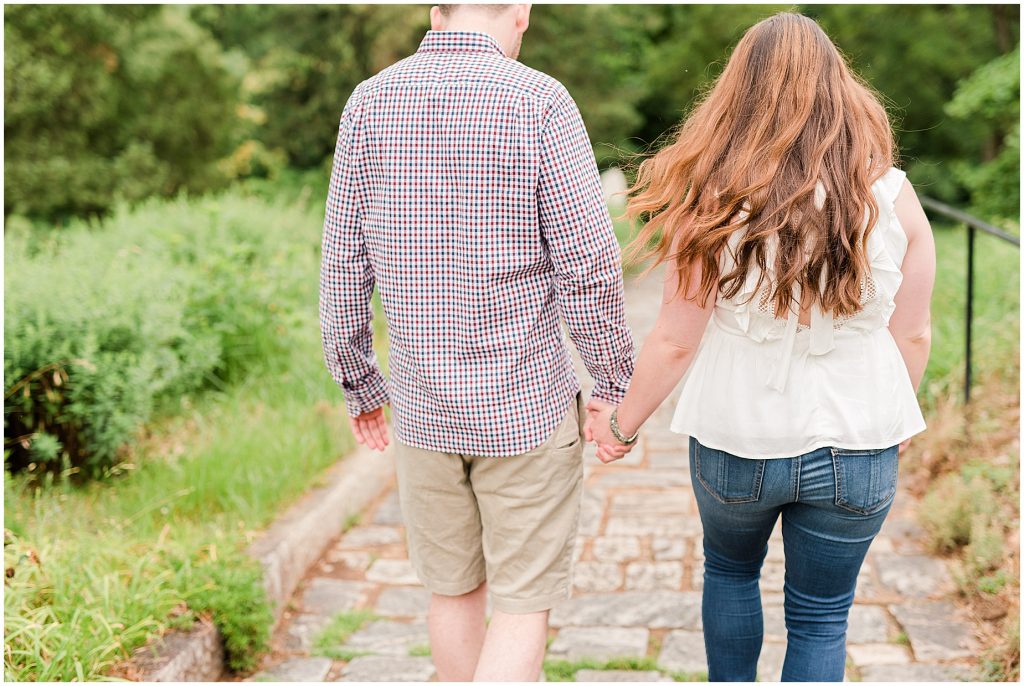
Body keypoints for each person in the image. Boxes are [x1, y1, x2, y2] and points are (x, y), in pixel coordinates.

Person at [587, 12, 935, 682]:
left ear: (735, 97)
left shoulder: (712, 199)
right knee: (823, 616)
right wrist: (898, 418)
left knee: (729, 573)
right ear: (843, 93)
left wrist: (620, 426)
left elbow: (673, 341)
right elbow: (913, 330)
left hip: (736, 434)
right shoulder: (891, 197)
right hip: (858, 436)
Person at [319, 4, 634, 681]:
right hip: (527, 406)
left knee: (452, 591)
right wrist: (612, 386)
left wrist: (358, 382)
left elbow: (344, 261)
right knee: (521, 605)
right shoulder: (541, 101)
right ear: (518, 10)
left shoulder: (369, 104)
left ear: (435, 11)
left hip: (424, 409)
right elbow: (590, 262)